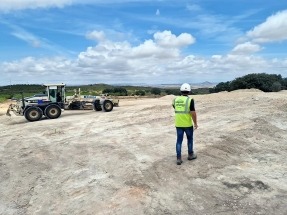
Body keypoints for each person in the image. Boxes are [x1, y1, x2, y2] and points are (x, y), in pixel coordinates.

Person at [172, 83, 198, 165]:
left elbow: (175, 107)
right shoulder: (190, 100)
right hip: (187, 124)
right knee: (190, 139)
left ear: (180, 91)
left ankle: (179, 158)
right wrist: (195, 123)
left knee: (179, 141)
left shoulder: (175, 100)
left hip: (178, 124)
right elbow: (193, 113)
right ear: (189, 91)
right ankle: (190, 155)